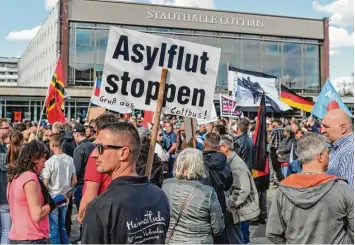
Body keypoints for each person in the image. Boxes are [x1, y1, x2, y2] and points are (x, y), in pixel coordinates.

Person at [81, 122, 170, 244]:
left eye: (100, 147)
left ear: (123, 153)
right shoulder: (160, 195)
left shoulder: (101, 207)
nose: (95, 154)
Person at [266, 133, 354, 244]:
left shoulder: (283, 190)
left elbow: (273, 232)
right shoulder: (341, 188)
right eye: (328, 152)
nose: (329, 156)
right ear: (320, 156)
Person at [7, 140, 67, 244]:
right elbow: (37, 215)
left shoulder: (14, 178)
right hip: (32, 238)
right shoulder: (30, 178)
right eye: (43, 161)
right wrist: (56, 201)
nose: (44, 166)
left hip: (17, 237)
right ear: (34, 159)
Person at [162, 148, 224, 244]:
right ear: (199, 165)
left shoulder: (166, 185)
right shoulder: (208, 192)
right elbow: (218, 228)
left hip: (173, 241)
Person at [77, 113, 118, 224]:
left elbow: (91, 191)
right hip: (115, 212)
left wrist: (82, 215)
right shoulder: (120, 152)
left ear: (99, 131)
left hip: (99, 215)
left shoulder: (97, 155)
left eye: (95, 130)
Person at [219, 135, 260, 244]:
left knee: (241, 240)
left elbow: (242, 190)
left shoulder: (236, 164)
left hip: (241, 210)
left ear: (225, 147)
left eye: (218, 148)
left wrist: (229, 204)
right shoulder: (230, 161)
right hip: (239, 209)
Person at [42, 134, 77, 244]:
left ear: (52, 144)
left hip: (53, 199)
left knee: (54, 228)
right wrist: (69, 192)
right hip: (65, 197)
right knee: (62, 226)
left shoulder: (49, 163)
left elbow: (45, 184)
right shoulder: (70, 159)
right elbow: (74, 180)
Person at [0, 130, 23, 244]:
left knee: (5, 231)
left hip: (4, 197)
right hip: (16, 198)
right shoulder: (22, 159)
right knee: (11, 231)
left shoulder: (3, 158)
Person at [321, 109, 354, 189]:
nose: (322, 131)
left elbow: (349, 193)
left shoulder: (350, 152)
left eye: (326, 127)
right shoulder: (338, 147)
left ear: (342, 129)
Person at [72, 124, 95, 210]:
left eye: (74, 135)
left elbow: (77, 170)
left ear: (77, 134)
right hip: (93, 183)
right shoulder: (94, 146)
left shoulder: (78, 149)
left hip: (81, 185)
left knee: (82, 213)